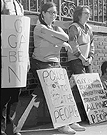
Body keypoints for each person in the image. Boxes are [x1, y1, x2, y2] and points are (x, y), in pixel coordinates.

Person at [30, 2, 84, 134]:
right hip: (41, 62)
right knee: (55, 92)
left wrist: (62, 39)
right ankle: (62, 124)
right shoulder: (39, 28)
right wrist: (62, 42)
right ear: (43, 13)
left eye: (55, 13)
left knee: (65, 90)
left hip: (55, 63)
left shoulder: (56, 28)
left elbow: (66, 37)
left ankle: (70, 120)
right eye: (50, 12)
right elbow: (58, 40)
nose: (54, 15)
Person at [1, 0, 28, 135]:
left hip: (17, 56)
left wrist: (26, 58)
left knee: (15, 95)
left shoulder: (19, 5)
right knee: (3, 95)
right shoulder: (3, 3)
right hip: (5, 53)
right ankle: (1, 129)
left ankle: (11, 128)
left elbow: (23, 33)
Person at [66, 5, 94, 122]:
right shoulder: (74, 27)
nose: (88, 15)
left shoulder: (89, 28)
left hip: (87, 60)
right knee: (80, 85)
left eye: (89, 13)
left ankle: (90, 114)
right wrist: (82, 58)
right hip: (76, 60)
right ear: (78, 15)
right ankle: (80, 114)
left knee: (90, 84)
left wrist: (91, 57)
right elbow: (73, 45)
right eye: (85, 13)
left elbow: (92, 44)